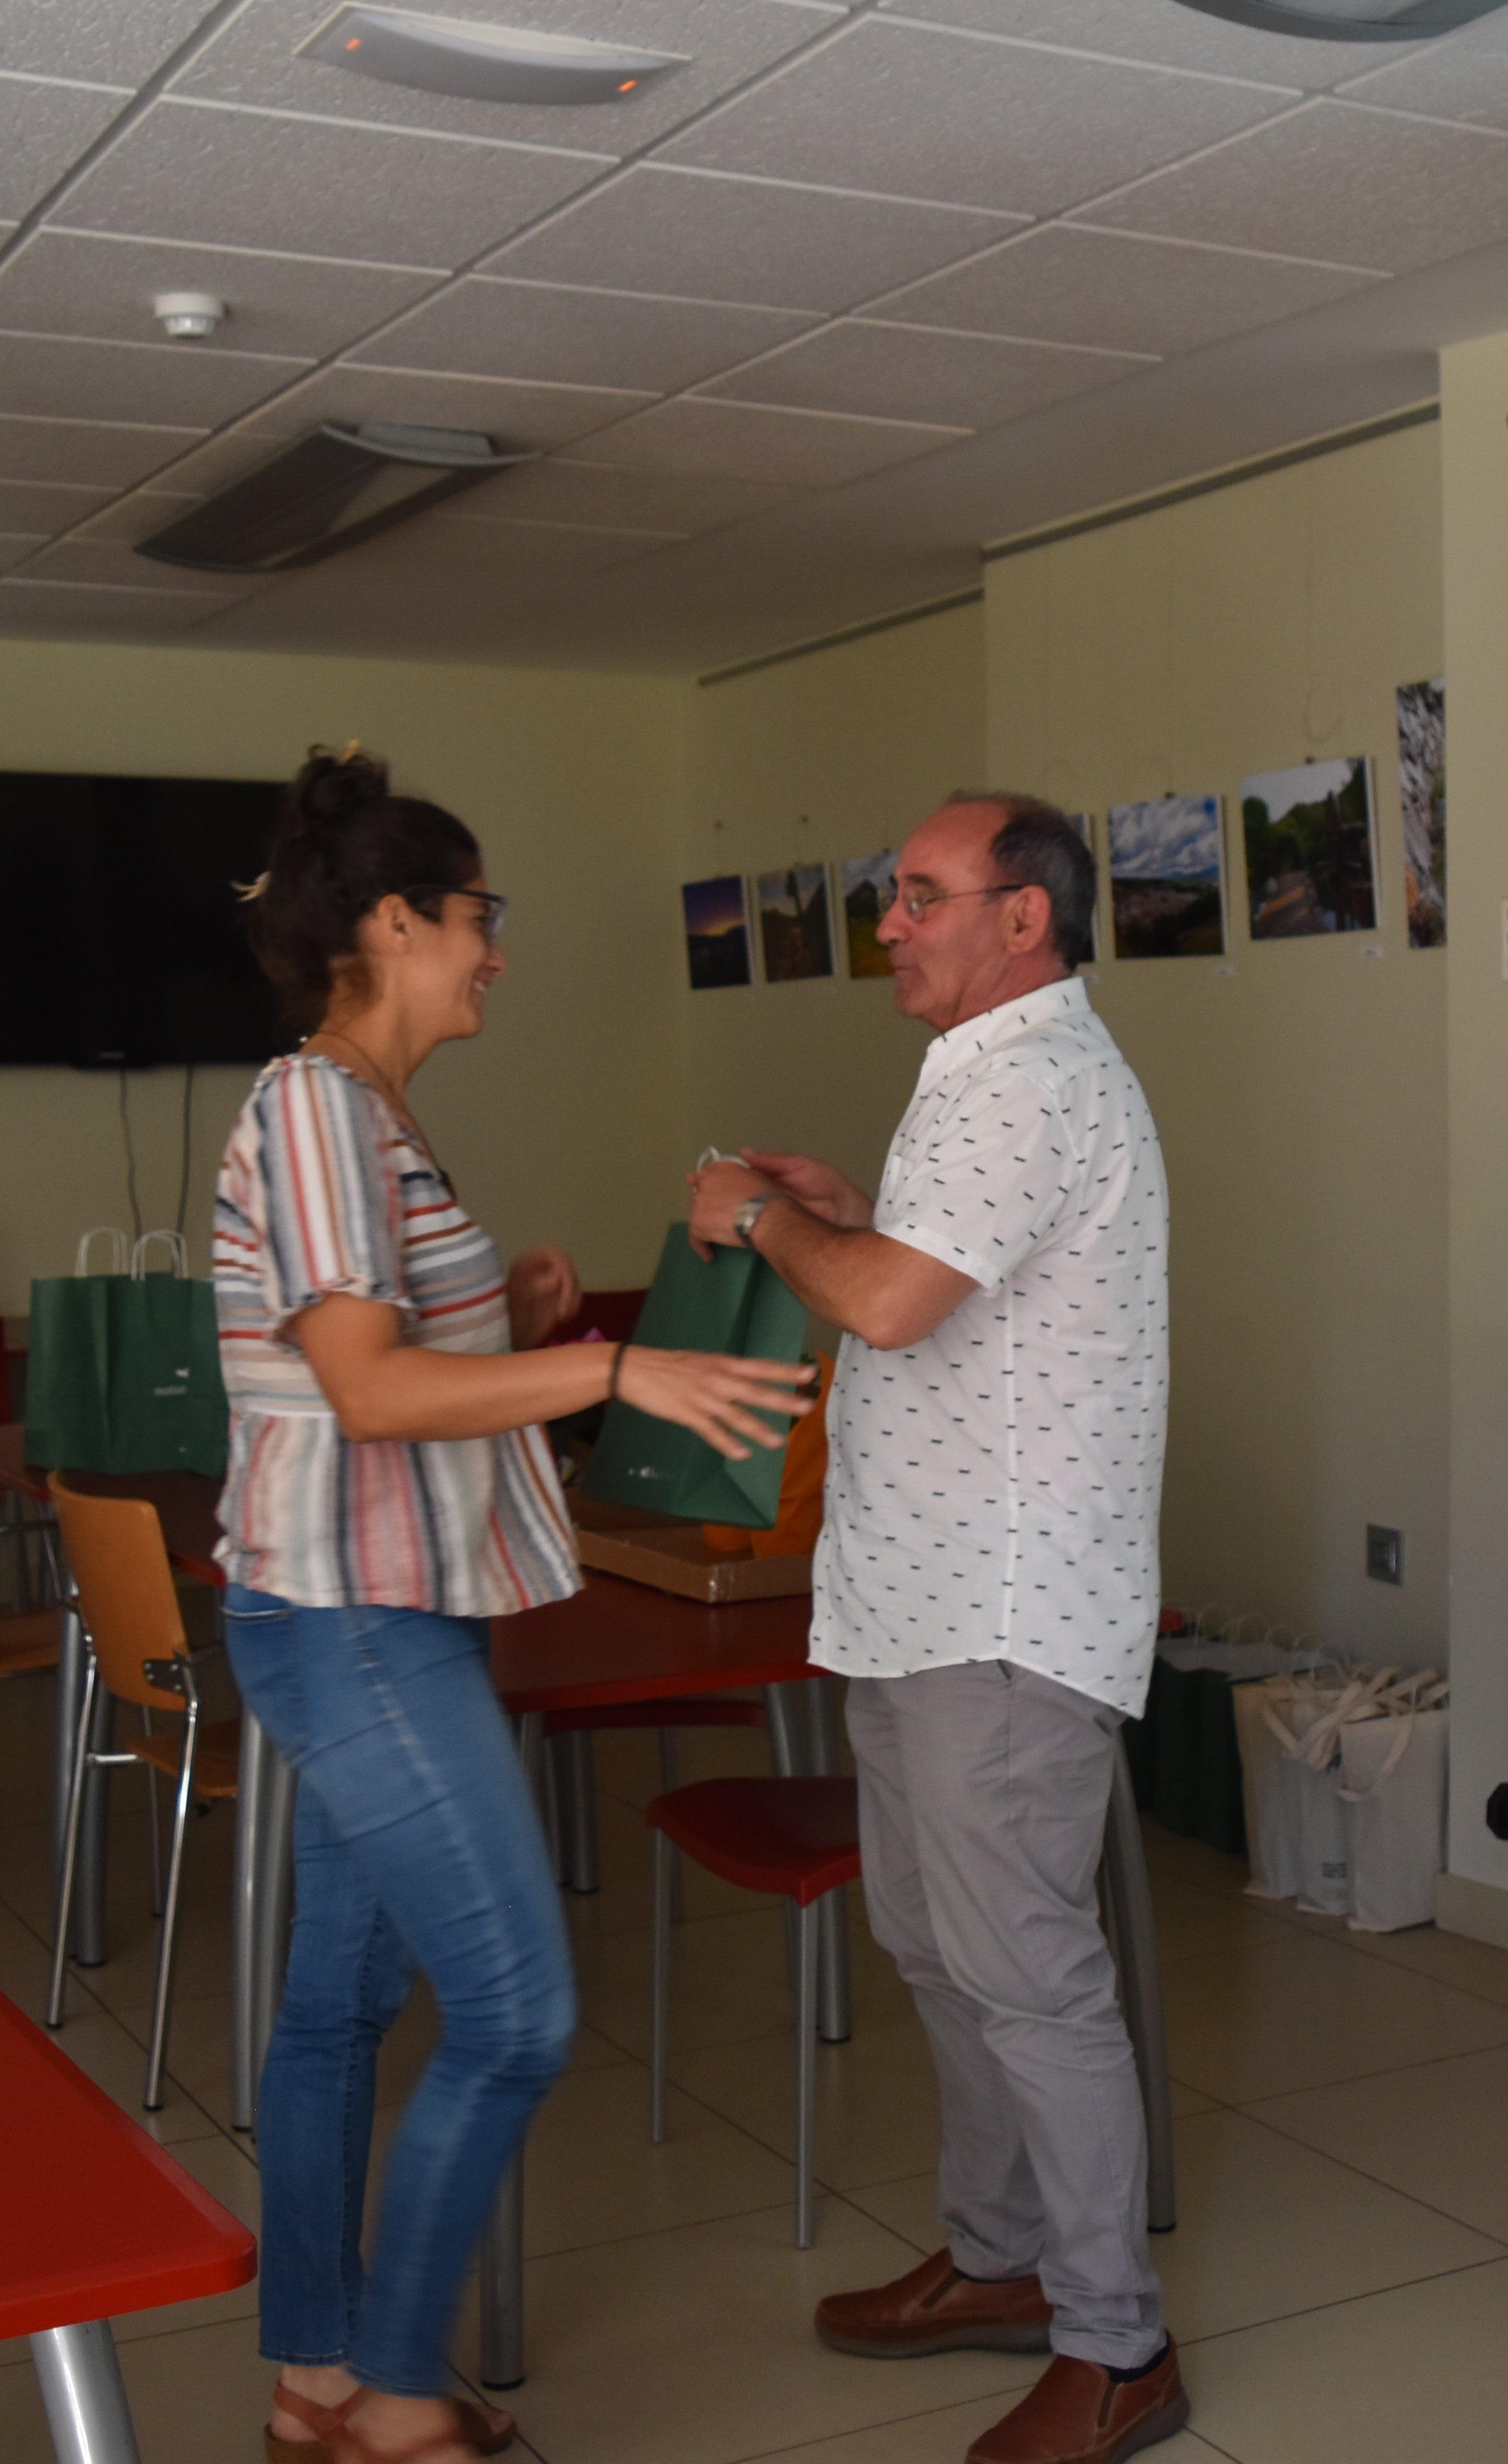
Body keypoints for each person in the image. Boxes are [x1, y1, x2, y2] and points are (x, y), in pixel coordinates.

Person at [220, 746, 818, 2464]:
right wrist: (611, 1361)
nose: (496, 949)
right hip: (357, 1621)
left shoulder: (364, 1115)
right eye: (481, 916)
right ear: (395, 921)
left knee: (340, 1998)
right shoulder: (322, 1107)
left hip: (375, 1602)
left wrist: (521, 1307)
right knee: (518, 2013)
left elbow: (394, 1348)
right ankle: (400, 2396)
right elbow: (364, 1389)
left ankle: (317, 2377)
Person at [689, 794, 1183, 2464]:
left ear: (1024, 918)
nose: (886, 921)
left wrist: (763, 1219)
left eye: (916, 895)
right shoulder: (978, 1078)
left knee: (1027, 1975)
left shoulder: (1033, 1073)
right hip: (916, 1598)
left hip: (1001, 1607)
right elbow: (925, 1277)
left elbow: (893, 1303)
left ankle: (1117, 2344)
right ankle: (1000, 2257)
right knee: (938, 1944)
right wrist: (842, 1206)